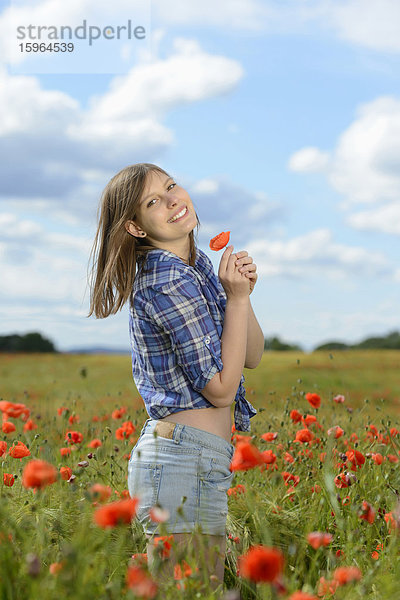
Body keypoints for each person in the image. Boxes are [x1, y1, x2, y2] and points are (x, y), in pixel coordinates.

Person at [88, 162, 264, 594]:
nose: (171, 200)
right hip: (182, 460)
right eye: (153, 201)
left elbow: (254, 355)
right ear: (134, 227)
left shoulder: (196, 265)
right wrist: (236, 302)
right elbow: (221, 390)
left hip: (198, 458)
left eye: (170, 187)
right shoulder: (166, 280)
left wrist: (240, 294)